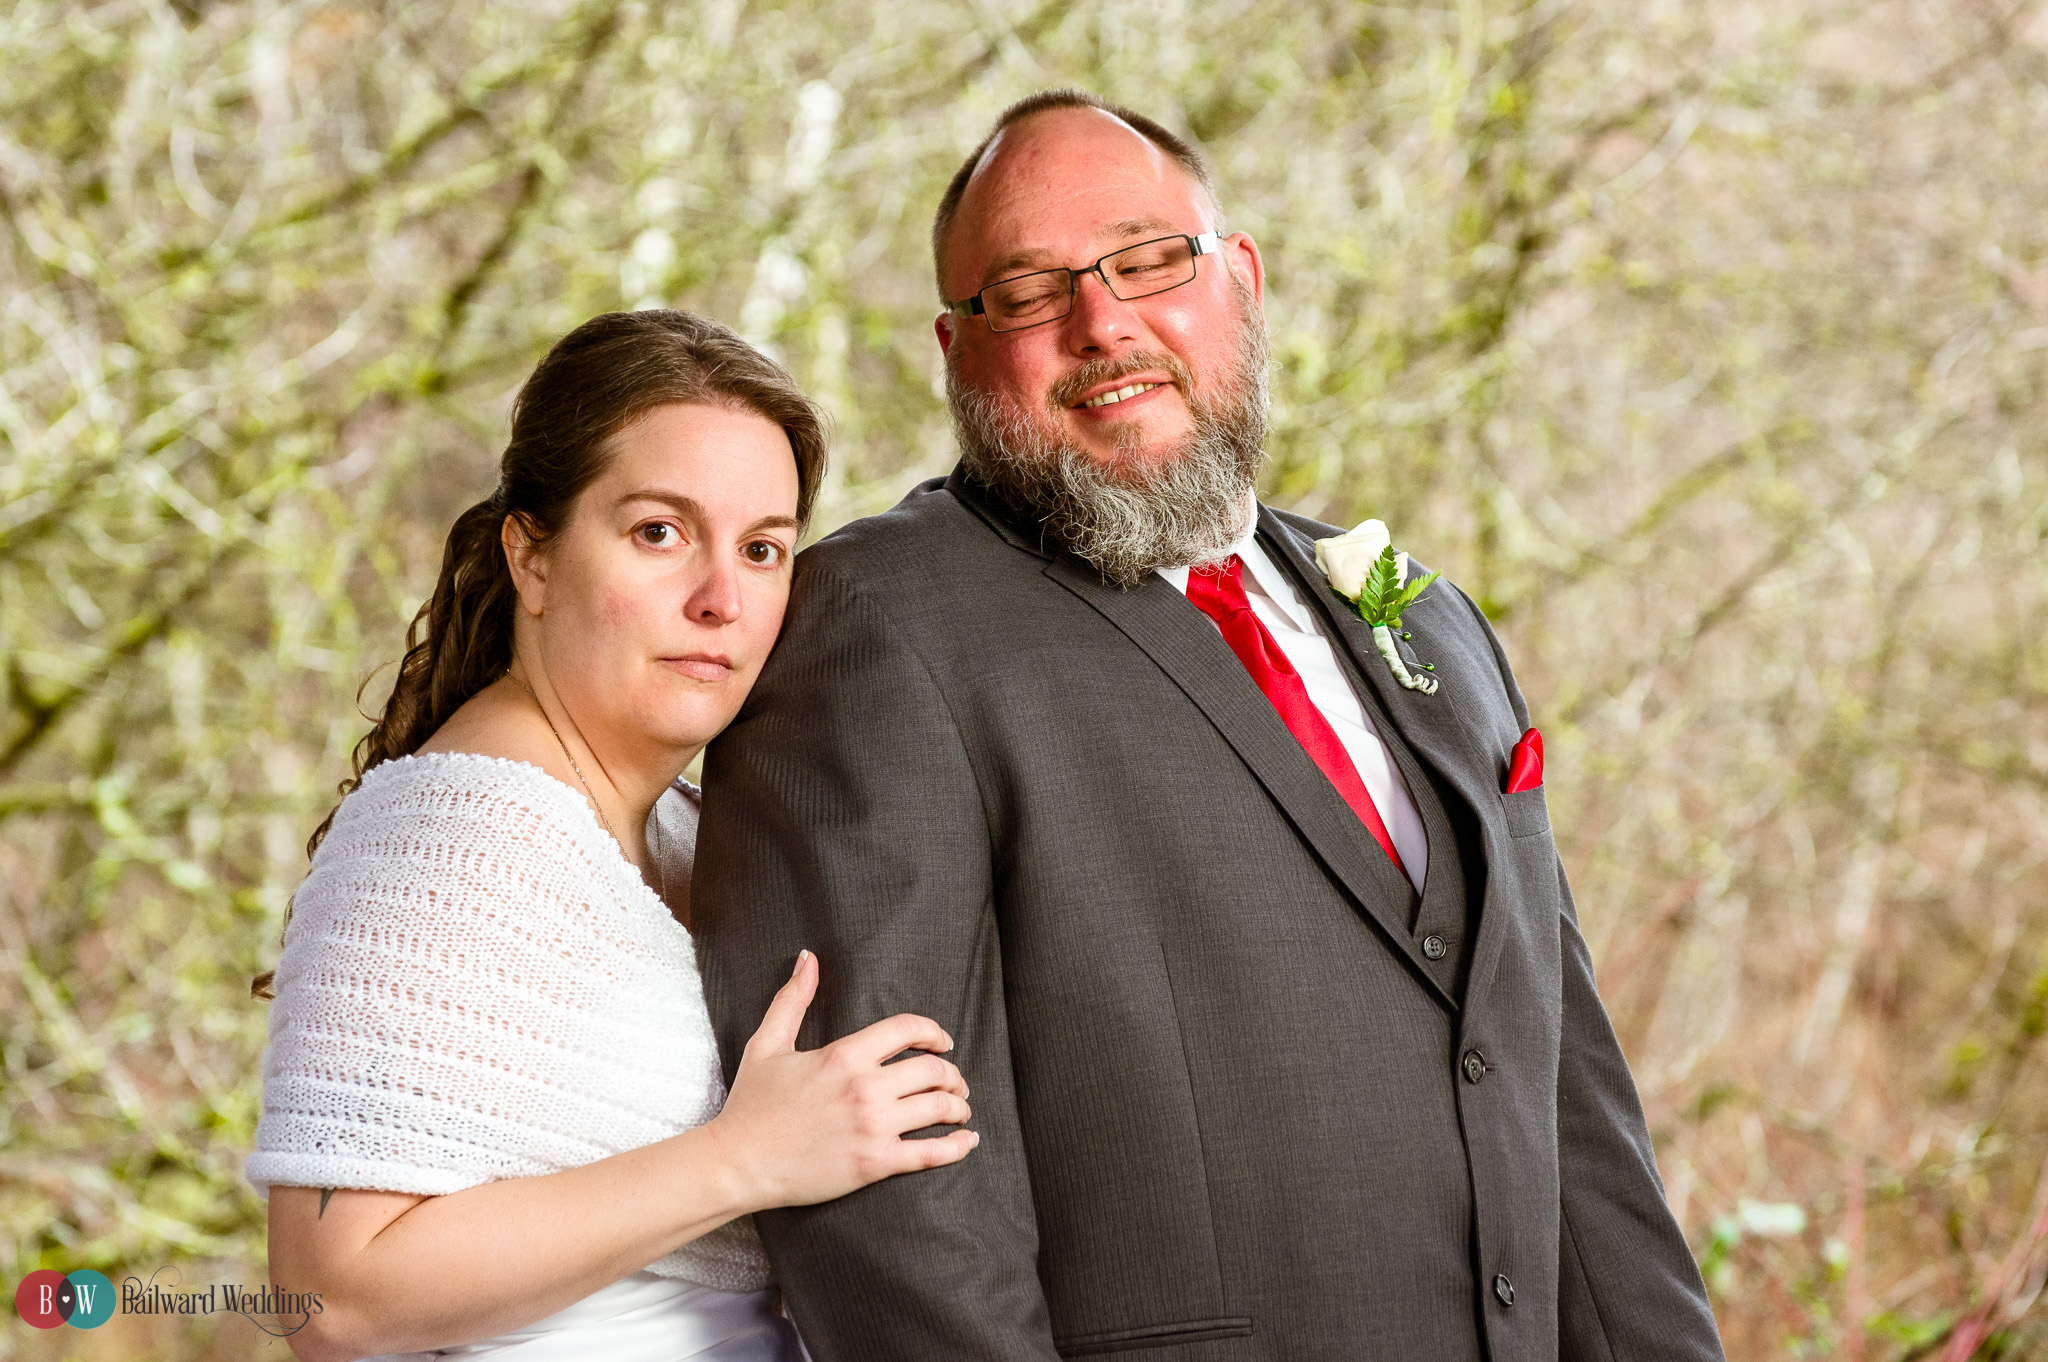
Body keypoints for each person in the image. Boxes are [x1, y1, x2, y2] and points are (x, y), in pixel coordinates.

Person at [689, 91, 1726, 1360]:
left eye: (1147, 260)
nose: (1102, 322)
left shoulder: (1428, 617)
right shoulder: (873, 627)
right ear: (956, 352)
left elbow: (1564, 1094)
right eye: (1026, 292)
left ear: (1236, 276)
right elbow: (889, 1197)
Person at [246, 310, 976, 1362]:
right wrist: (747, 1159)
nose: (721, 599)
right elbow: (335, 1297)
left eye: (762, 549)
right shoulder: (456, 833)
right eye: (659, 533)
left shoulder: (674, 825)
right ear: (531, 556)